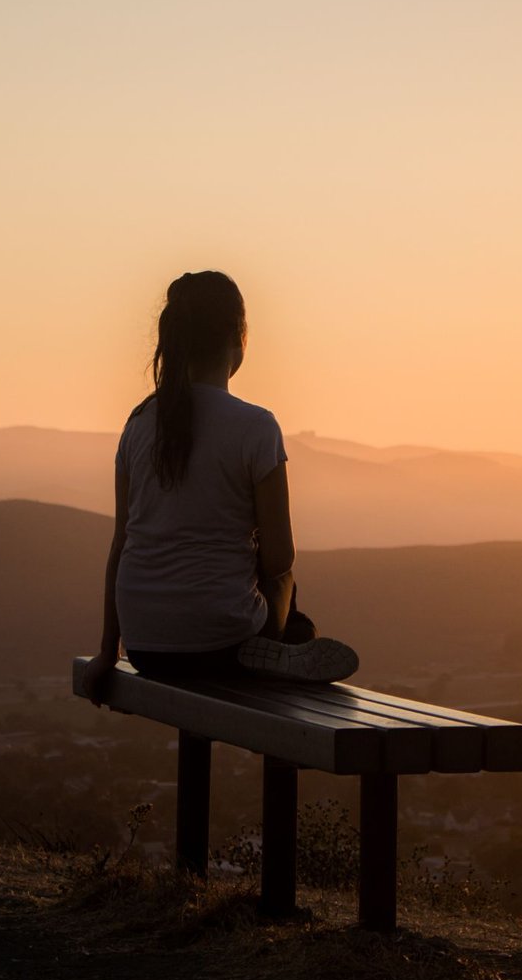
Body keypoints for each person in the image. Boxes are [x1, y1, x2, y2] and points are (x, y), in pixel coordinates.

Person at [81, 270, 358, 700]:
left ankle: (282, 643)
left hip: (144, 646)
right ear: (238, 338)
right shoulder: (256, 427)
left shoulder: (137, 425)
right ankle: (285, 643)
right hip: (223, 643)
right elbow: (280, 557)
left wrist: (106, 652)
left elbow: (121, 546)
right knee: (286, 584)